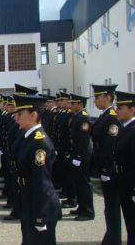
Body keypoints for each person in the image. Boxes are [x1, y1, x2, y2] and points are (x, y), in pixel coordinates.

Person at [13, 94, 61, 245]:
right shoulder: (29, 137)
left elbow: (42, 181)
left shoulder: (39, 142)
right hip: (30, 201)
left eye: (20, 114)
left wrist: (40, 216)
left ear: (33, 115)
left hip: (40, 206)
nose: (16, 118)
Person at [91, 84, 121, 245]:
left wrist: (107, 171)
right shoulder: (104, 116)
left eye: (97, 97)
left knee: (112, 208)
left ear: (108, 97)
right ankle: (111, 237)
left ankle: (113, 239)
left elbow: (110, 147)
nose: (95, 100)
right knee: (109, 208)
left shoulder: (111, 118)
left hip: (109, 171)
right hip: (103, 168)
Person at [68, 93, 95, 221]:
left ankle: (88, 211)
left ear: (80, 104)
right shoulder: (77, 116)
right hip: (76, 153)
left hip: (82, 155)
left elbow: (84, 140)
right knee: (78, 182)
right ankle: (81, 207)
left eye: (73, 103)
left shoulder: (84, 118)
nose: (71, 105)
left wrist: (78, 156)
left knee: (84, 183)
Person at [114, 91, 135, 245]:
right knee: (129, 222)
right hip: (123, 180)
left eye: (121, 107)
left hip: (131, 183)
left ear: (132, 109)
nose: (117, 110)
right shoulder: (124, 128)